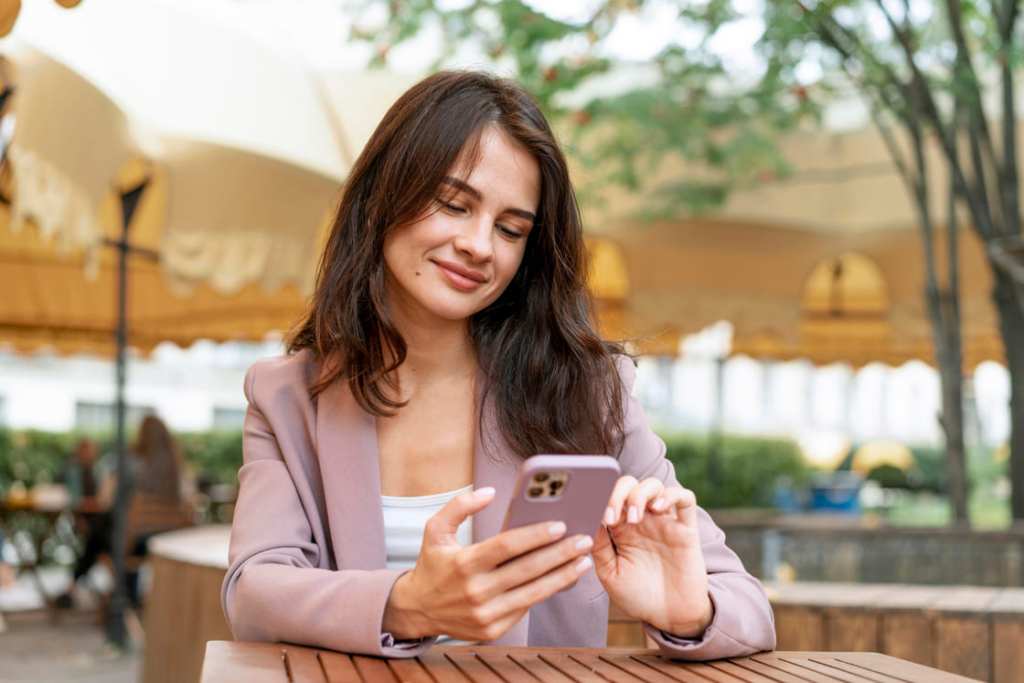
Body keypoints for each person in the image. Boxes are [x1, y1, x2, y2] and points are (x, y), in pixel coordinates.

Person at [222, 71, 775, 659]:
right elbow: (254, 591)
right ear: (382, 197)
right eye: (454, 205)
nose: (480, 245)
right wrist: (409, 604)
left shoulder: (584, 393)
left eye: (511, 229)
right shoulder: (287, 396)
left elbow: (749, 609)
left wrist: (688, 610)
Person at [121, 415, 195, 608]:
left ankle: (126, 601)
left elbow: (114, 500)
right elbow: (190, 503)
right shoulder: (178, 466)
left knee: (104, 537)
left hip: (140, 540)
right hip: (173, 538)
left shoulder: (135, 465)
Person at [56, 437, 114, 608]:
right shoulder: (73, 470)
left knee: (94, 543)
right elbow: (73, 499)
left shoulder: (100, 469)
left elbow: (104, 500)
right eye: (85, 450)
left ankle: (71, 589)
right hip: (85, 519)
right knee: (95, 543)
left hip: (99, 524)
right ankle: (115, 591)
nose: (88, 454)